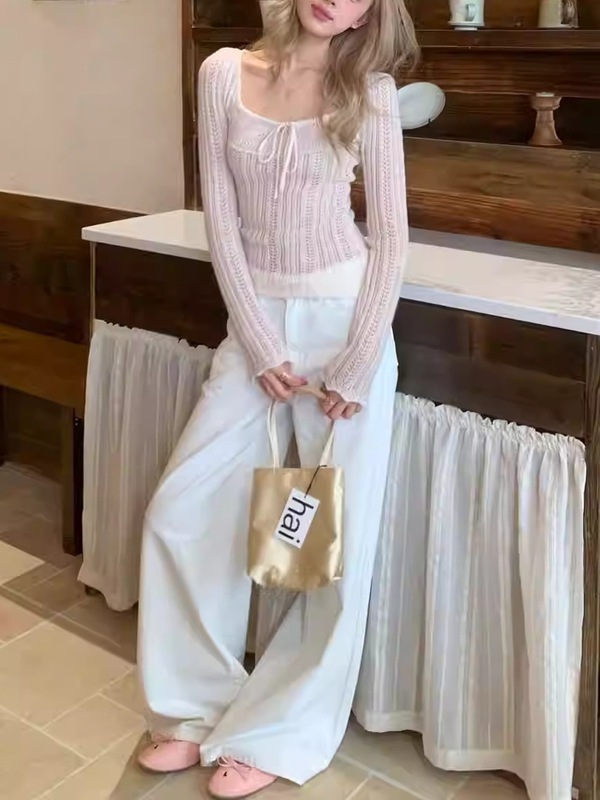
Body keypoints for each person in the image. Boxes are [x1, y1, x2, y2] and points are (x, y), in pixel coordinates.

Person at [136, 0, 417, 796]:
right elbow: (222, 220)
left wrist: (358, 362)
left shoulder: (372, 90)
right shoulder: (223, 73)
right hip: (256, 327)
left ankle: (278, 735)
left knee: (327, 547)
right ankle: (193, 709)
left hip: (345, 327)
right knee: (181, 510)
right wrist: (258, 343)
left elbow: (391, 237)